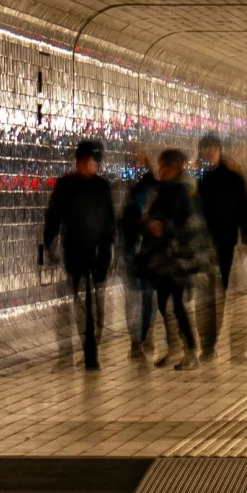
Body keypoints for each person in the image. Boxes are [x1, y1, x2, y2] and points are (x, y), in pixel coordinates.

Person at [41, 138, 117, 369]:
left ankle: (91, 348)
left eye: (93, 162)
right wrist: (48, 243)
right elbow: (53, 216)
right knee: (80, 302)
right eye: (87, 161)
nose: (90, 166)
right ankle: (86, 350)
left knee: (95, 301)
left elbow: (109, 222)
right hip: (75, 251)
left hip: (97, 253)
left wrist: (108, 249)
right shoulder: (67, 185)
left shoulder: (100, 186)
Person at [139, 149, 203, 370]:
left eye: (166, 166)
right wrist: (150, 225)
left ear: (176, 168)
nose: (162, 170)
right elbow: (145, 218)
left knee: (177, 306)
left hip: (176, 261)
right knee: (164, 304)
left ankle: (191, 351)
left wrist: (165, 227)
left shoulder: (182, 192)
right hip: (160, 261)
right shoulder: (159, 191)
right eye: (161, 166)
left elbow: (190, 227)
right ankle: (176, 348)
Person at [195, 134, 247, 358]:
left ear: (219, 151)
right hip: (203, 247)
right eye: (206, 149)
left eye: (213, 149)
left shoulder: (232, 178)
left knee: (219, 296)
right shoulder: (199, 179)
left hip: (225, 245)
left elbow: (243, 209)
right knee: (208, 298)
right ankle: (208, 345)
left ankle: (219, 345)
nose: (209, 153)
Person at [119, 146, 160, 360]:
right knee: (140, 296)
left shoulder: (146, 188)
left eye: (138, 158)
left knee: (143, 295)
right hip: (135, 250)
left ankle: (141, 338)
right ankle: (139, 339)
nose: (134, 163)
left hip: (144, 250)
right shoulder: (134, 188)